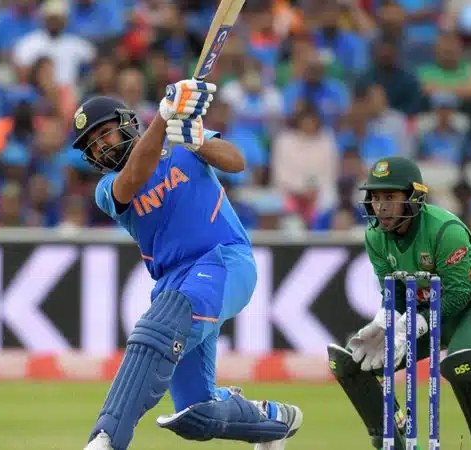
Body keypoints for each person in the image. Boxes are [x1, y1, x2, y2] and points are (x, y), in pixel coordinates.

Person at [75, 80, 303, 450]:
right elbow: (135, 176)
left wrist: (196, 139)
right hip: (175, 283)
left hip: (224, 259)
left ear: (126, 122)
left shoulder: (181, 141)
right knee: (196, 413)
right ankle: (273, 420)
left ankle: (106, 438)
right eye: (92, 144)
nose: (101, 146)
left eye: (104, 133)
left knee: (156, 330)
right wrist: (163, 118)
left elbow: (236, 161)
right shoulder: (107, 188)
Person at [327, 156, 471, 449]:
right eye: (375, 197)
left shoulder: (444, 230)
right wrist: (384, 322)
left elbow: (458, 295)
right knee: (356, 362)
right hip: (426, 310)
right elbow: (395, 293)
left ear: (413, 197)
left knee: (463, 362)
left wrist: (412, 325)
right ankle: (394, 437)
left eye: (390, 197)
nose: (380, 206)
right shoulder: (375, 236)